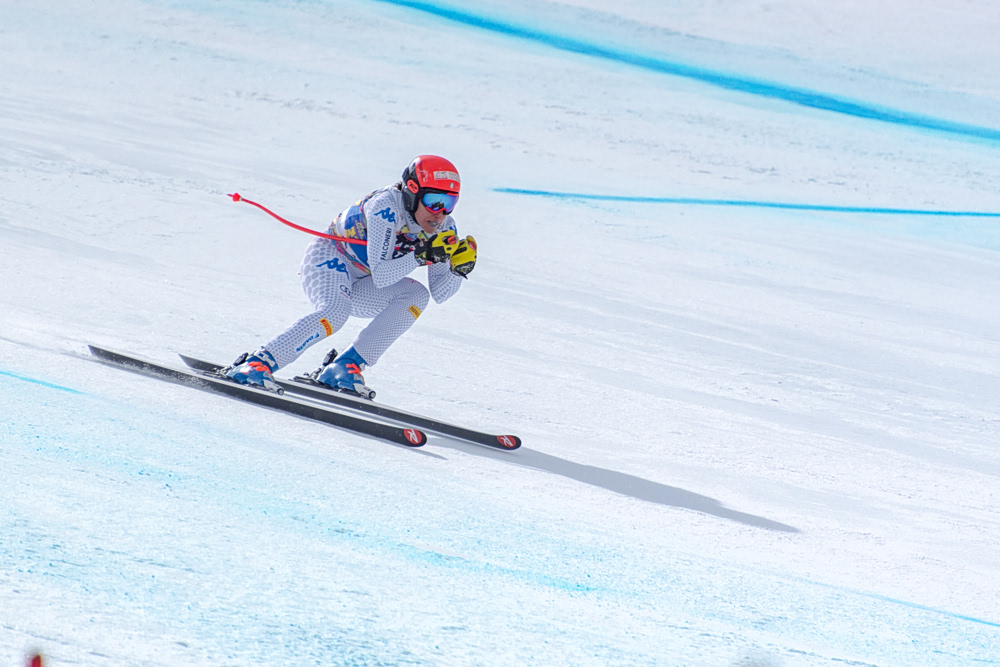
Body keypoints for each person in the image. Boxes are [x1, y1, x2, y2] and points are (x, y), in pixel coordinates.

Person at [224, 155, 477, 396]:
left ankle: (345, 366)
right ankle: (258, 363)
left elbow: (441, 294)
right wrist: (421, 255)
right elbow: (381, 276)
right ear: (412, 192)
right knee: (334, 312)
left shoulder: (444, 226)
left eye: (450, 203)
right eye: (434, 200)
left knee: (415, 295)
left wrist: (458, 269)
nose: (440, 212)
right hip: (330, 260)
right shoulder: (386, 207)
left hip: (361, 279)